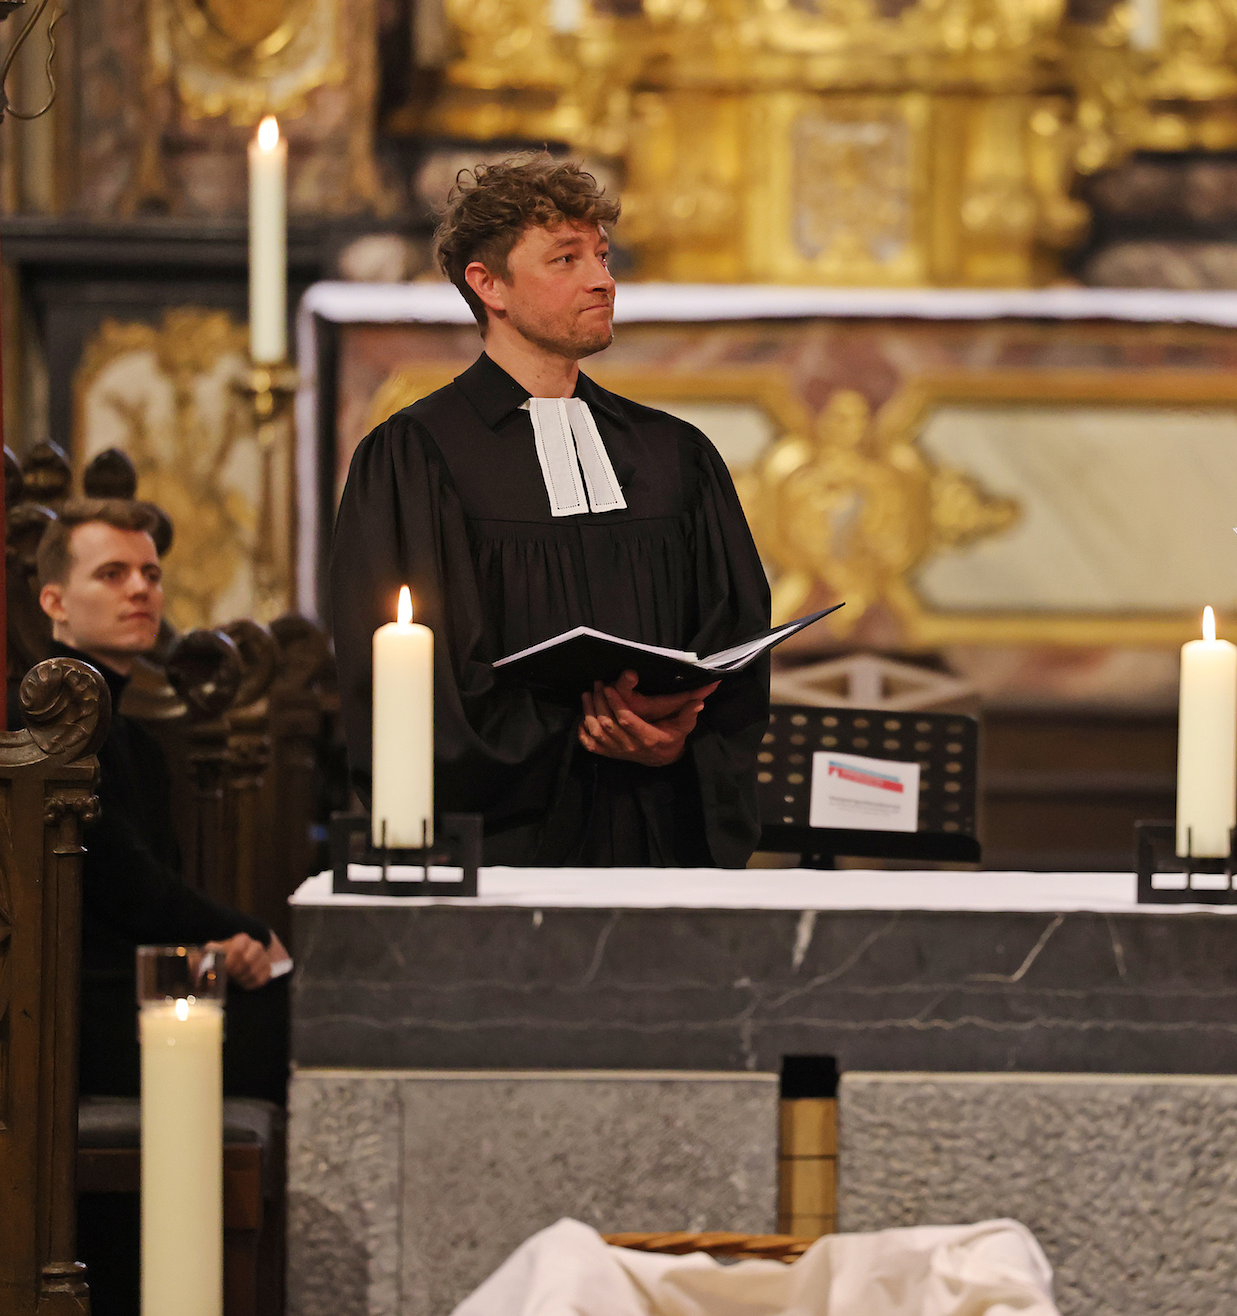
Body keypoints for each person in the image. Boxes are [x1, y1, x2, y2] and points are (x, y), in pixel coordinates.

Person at [327, 154, 772, 867]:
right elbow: (412, 688)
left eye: (601, 255)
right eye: (565, 259)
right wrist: (580, 736)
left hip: (662, 840)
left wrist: (678, 735)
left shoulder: (674, 453)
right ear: (488, 284)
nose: (602, 278)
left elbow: (732, 636)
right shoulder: (414, 459)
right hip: (512, 850)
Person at [38, 498, 294, 1106]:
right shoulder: (46, 731)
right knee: (309, 1024)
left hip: (143, 991)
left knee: (306, 1010)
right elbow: (133, 887)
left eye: (150, 574)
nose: (140, 590)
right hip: (69, 1020)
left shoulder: (137, 742)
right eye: (112, 574)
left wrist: (210, 954)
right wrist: (245, 930)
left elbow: (150, 901)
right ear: (54, 602)